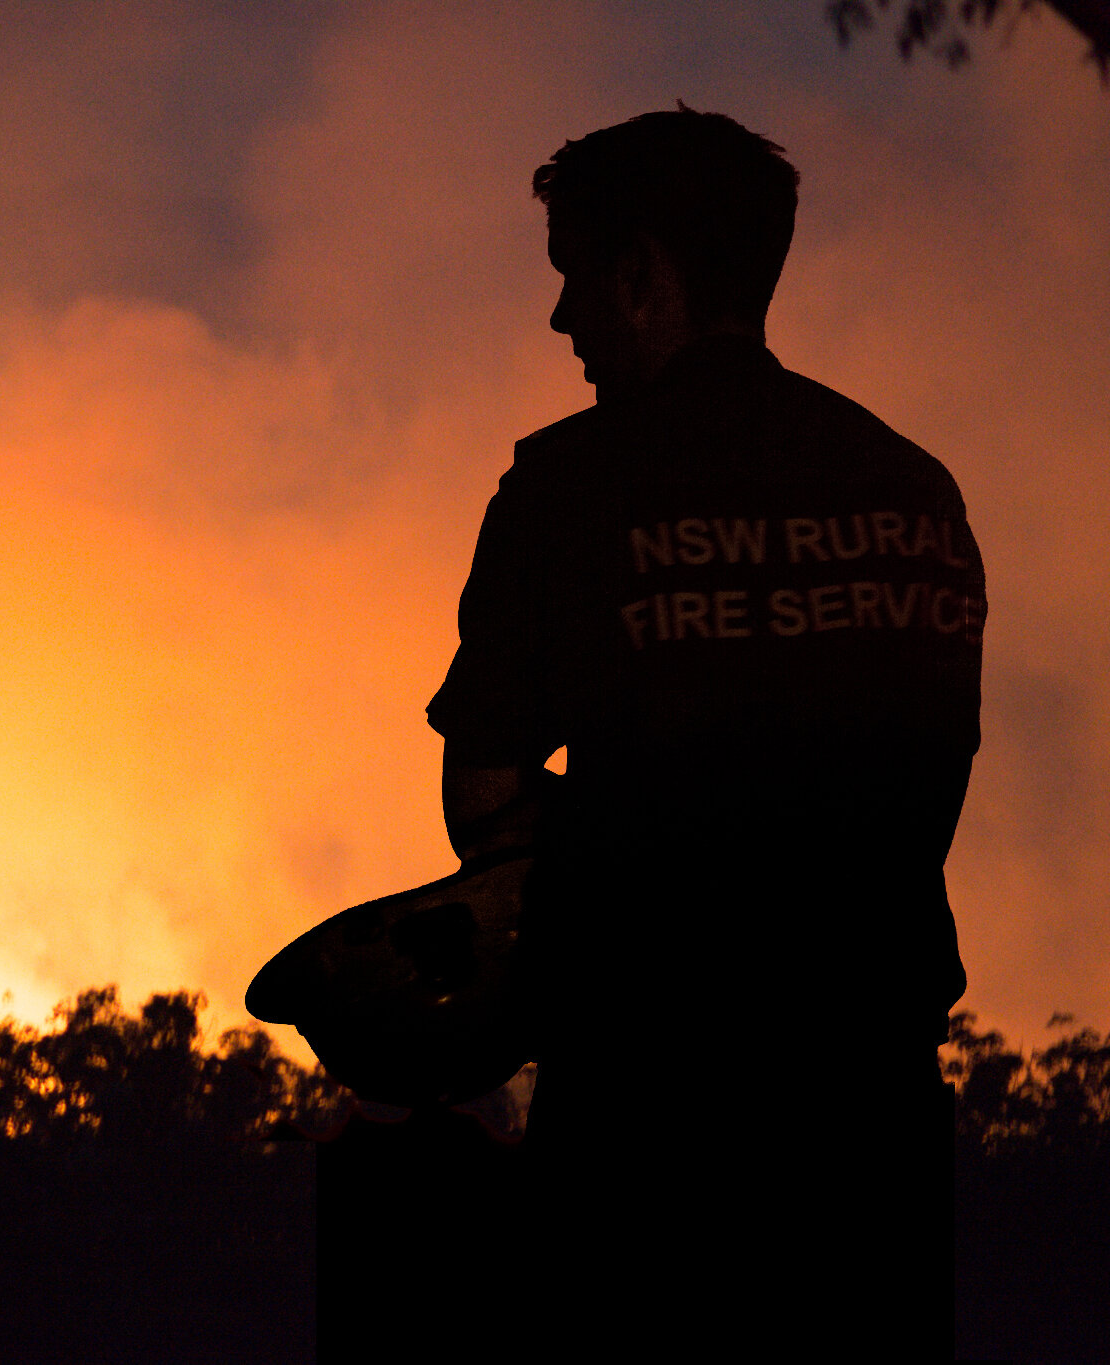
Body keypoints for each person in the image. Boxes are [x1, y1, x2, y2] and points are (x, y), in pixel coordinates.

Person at [425, 107, 982, 1356]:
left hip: (648, 1117)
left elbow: (488, 796)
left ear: (640, 274)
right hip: (870, 1121)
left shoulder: (563, 491)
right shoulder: (911, 489)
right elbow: (923, 781)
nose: (561, 319)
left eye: (573, 278)